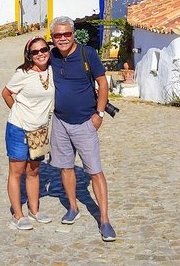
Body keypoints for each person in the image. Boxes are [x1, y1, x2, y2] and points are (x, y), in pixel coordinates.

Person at [48, 16, 116, 241]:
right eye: (58, 35)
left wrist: (99, 114)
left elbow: (102, 83)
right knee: (65, 167)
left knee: (95, 171)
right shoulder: (52, 56)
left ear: (73, 33)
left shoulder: (89, 54)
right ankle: (73, 207)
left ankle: (104, 220)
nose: (63, 39)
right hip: (59, 122)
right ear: (53, 38)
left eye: (66, 34)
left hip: (86, 122)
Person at [1, 37, 54, 230]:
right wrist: (18, 112)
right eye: (35, 52)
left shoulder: (51, 70)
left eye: (44, 49)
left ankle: (34, 210)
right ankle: (17, 214)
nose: (40, 54)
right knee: (16, 172)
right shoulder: (22, 73)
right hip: (19, 128)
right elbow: (6, 93)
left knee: (34, 171)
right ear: (29, 56)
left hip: (40, 130)